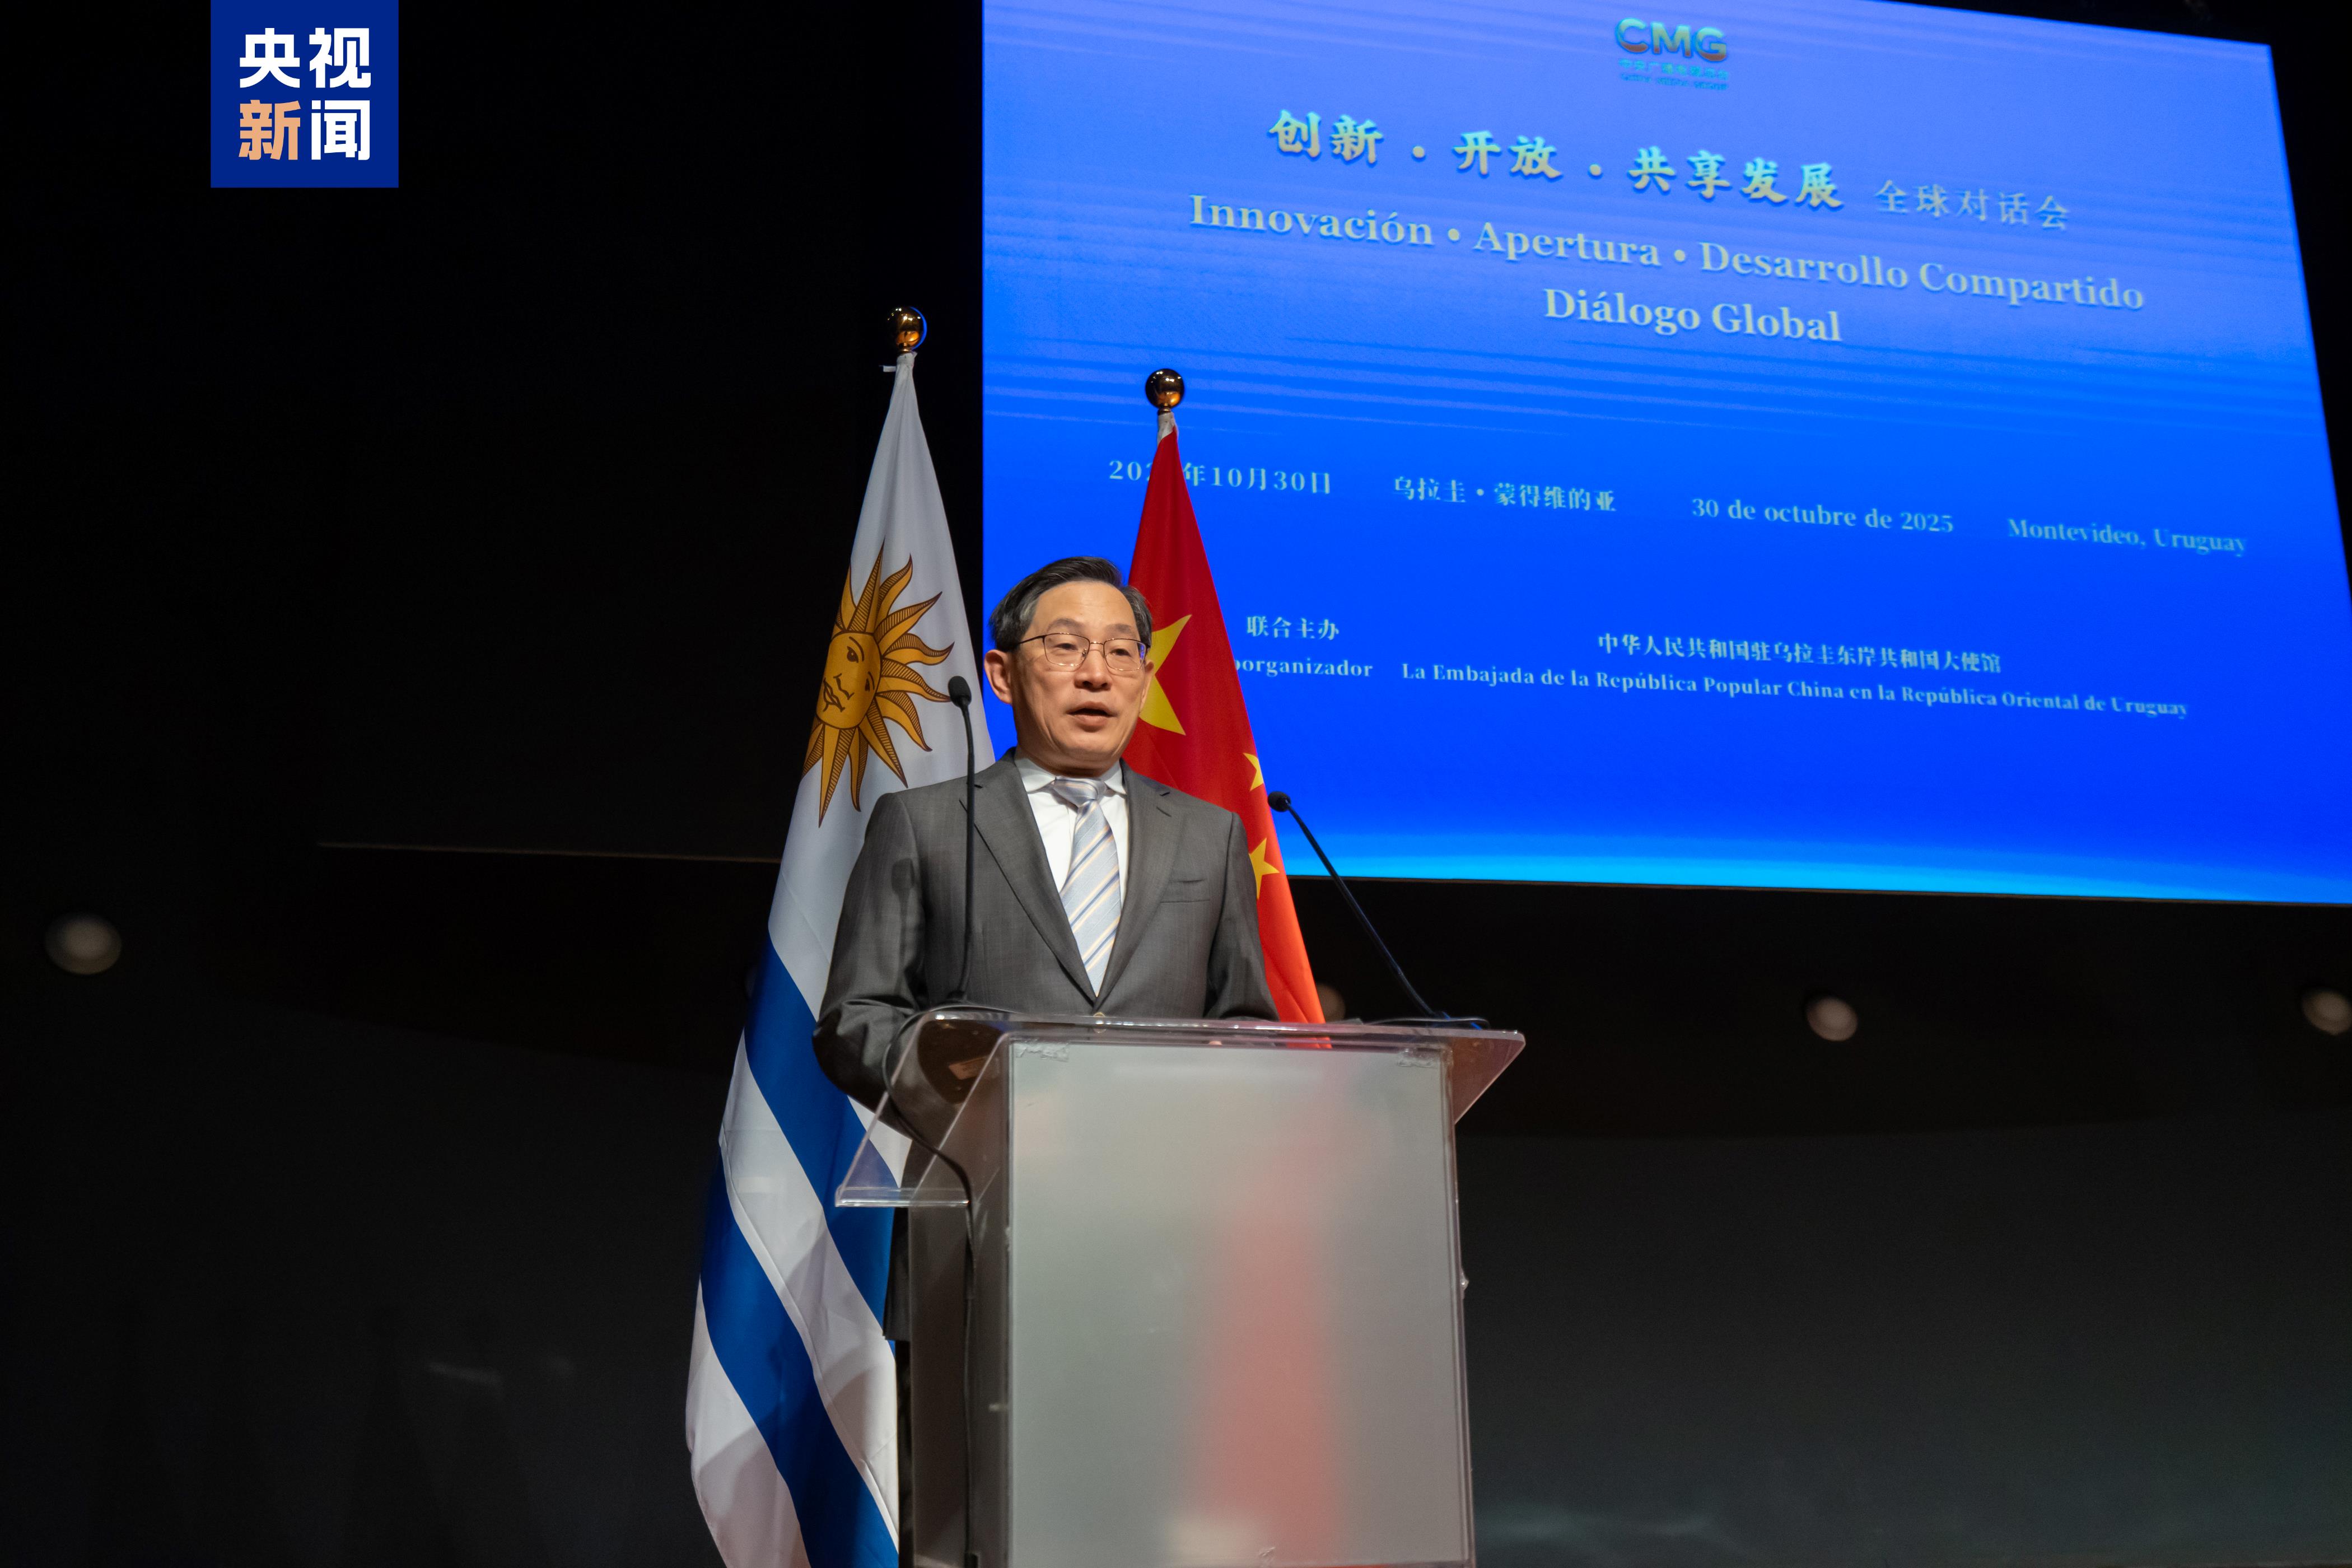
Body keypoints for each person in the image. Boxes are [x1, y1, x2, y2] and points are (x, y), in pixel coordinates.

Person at [814, 555, 1276, 1110]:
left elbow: (1245, 1021)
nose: (1097, 674)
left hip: (1169, 1174)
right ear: (1003, 676)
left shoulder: (1211, 834)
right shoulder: (923, 823)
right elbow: (858, 1018)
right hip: (982, 1169)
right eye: (1066, 647)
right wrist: (965, 1083)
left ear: (1146, 680)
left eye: (1121, 652)